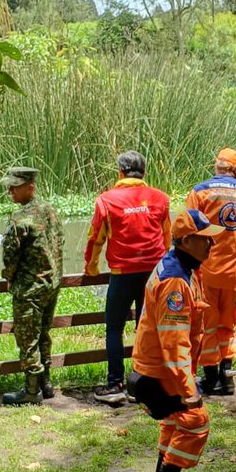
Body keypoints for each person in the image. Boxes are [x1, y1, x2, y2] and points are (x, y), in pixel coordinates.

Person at [127, 209, 224, 472]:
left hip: (159, 370)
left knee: (174, 423)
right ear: (186, 241)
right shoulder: (175, 281)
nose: (212, 244)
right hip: (159, 373)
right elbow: (174, 343)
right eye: (205, 239)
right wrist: (188, 387)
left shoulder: (182, 268)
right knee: (195, 421)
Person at [83, 150, 171, 405]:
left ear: (120, 172)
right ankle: (145, 381)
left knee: (114, 328)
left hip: (122, 274)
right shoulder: (160, 199)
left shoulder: (106, 201)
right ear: (143, 172)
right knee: (148, 328)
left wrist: (91, 268)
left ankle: (115, 384)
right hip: (153, 275)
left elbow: (95, 238)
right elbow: (167, 239)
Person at [185, 147, 236, 395]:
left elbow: (188, 230)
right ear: (235, 170)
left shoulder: (200, 192)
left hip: (207, 271)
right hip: (234, 271)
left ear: (217, 167)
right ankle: (227, 379)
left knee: (207, 326)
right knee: (228, 323)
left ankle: (211, 378)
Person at [0, 166, 65, 407]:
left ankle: (31, 389)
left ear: (31, 186)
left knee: (27, 338)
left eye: (15, 186)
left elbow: (10, 257)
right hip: (51, 283)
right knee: (43, 333)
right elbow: (59, 243)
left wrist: (8, 276)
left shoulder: (20, 219)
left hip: (30, 287)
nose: (10, 191)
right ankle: (46, 384)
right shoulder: (50, 211)